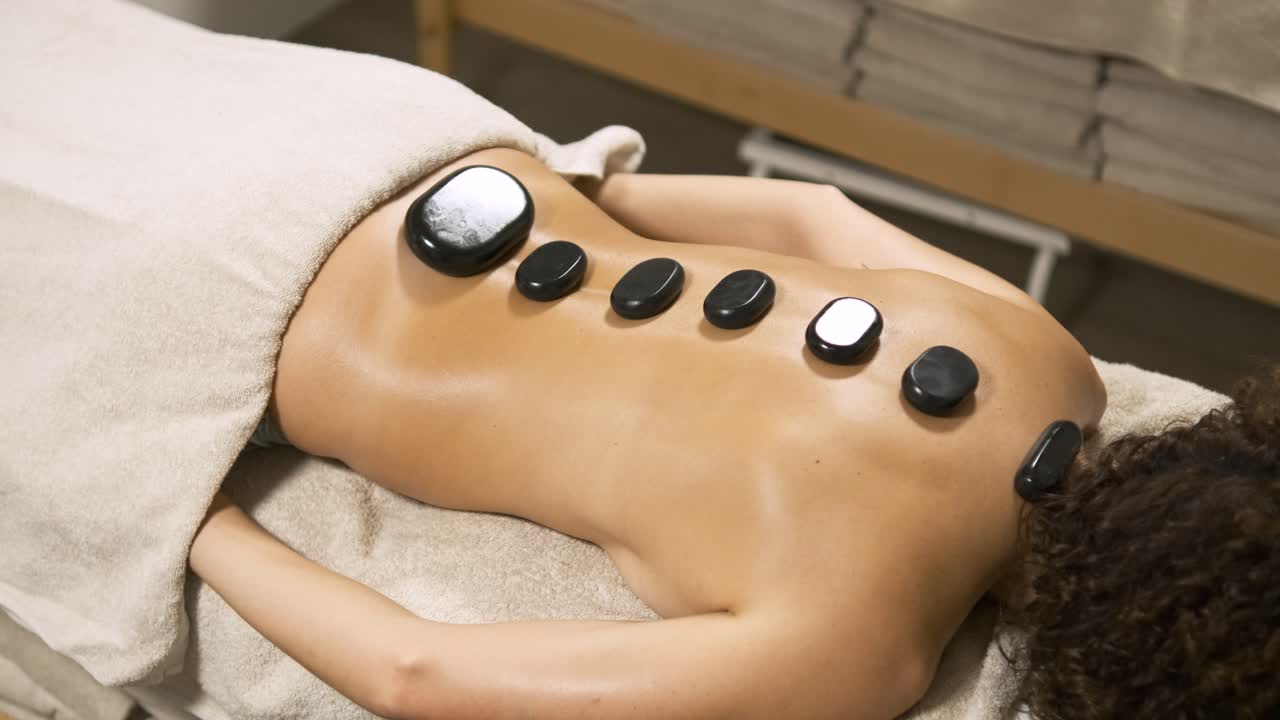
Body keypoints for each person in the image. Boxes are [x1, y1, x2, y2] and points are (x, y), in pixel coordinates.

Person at [189, 147, 1277, 719]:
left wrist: (576, 183)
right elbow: (411, 675)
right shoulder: (857, 651)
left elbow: (806, 210)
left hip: (408, 155)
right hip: (265, 326)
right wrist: (192, 512)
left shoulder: (1050, 357)